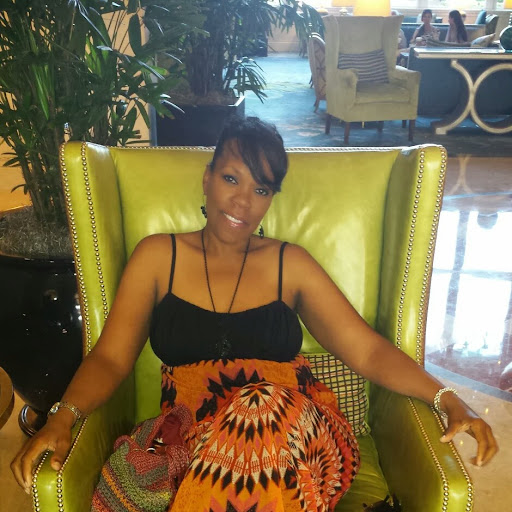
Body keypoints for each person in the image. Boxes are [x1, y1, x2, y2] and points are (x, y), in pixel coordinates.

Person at [11, 117, 498, 510]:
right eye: (231, 179)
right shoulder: (157, 257)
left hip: (297, 438)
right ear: (207, 178)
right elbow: (111, 358)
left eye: (261, 189)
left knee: (258, 404)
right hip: (193, 437)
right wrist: (63, 416)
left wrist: (447, 397)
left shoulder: (291, 265)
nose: (243, 201)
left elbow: (367, 351)